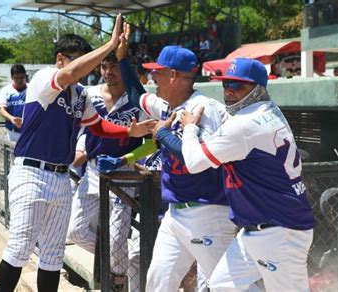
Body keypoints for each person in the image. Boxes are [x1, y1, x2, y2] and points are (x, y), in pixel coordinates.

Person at [0, 15, 155, 292]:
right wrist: (109, 46)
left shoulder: (80, 94)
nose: (87, 66)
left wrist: (129, 132)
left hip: (60, 176)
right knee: (21, 245)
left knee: (53, 254)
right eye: (79, 59)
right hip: (31, 171)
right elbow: (68, 74)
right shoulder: (46, 78)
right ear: (60, 59)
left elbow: (98, 125)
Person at [99, 23, 236, 291]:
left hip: (207, 210)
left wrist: (162, 135)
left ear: (172, 75)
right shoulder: (168, 106)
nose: (153, 79)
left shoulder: (203, 109)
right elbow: (138, 95)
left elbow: (197, 159)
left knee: (226, 286)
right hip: (175, 214)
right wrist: (124, 58)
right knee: (157, 282)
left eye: (158, 73)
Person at [179, 58, 315, 291]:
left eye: (238, 85)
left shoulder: (244, 125)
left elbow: (193, 162)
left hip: (280, 231)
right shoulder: (269, 109)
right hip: (259, 229)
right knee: (223, 286)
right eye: (225, 84)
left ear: (258, 90)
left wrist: (190, 128)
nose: (229, 91)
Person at [67, 51, 150, 291]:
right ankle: (124, 261)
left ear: (127, 68)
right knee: (77, 231)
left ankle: (118, 280)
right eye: (104, 66)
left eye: (114, 66)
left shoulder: (139, 100)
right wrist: (80, 150)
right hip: (93, 170)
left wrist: (126, 159)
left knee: (116, 242)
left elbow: (151, 142)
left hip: (123, 173)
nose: (109, 72)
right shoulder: (90, 95)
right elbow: (81, 130)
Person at [0, 64, 28, 143]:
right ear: (12, 77)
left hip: (29, 131)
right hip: (12, 132)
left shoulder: (31, 89)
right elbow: (1, 109)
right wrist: (11, 118)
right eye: (16, 78)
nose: (19, 80)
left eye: (21, 77)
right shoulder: (6, 90)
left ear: (25, 76)